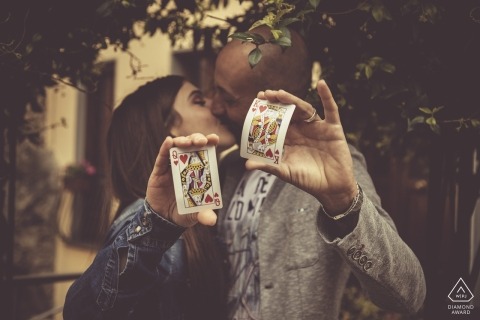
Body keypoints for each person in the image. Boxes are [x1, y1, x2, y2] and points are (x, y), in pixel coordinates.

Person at [210, 26, 427, 319]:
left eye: (228, 98)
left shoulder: (334, 169)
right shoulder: (228, 169)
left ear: (275, 100)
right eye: (214, 90)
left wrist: (344, 202)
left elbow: (409, 294)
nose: (214, 106)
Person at [63, 75, 236, 319]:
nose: (216, 106)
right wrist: (154, 227)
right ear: (169, 128)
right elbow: (85, 313)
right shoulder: (149, 219)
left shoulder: (192, 210)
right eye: (199, 101)